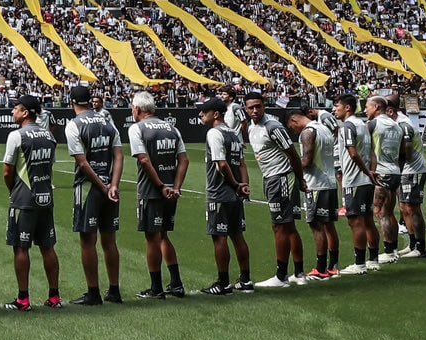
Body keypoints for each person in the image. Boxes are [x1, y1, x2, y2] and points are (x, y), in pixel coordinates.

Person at [63, 85, 124, 306]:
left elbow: (82, 162)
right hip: (111, 187)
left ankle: (93, 292)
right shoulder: (108, 122)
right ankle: (114, 291)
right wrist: (113, 185)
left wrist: (101, 185)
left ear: (72, 102)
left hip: (89, 188)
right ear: (90, 100)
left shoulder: (73, 125)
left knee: (88, 240)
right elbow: (119, 155)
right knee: (110, 240)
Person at [0, 95, 61, 311]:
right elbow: (50, 168)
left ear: (25, 112)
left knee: (21, 247)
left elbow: (8, 171)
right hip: (46, 197)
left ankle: (23, 298)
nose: (12, 112)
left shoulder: (16, 136)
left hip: (24, 199)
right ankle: (54, 296)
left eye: (15, 108)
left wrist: (13, 192)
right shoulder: (49, 136)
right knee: (48, 247)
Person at [242, 90, 305, 289]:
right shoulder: (252, 127)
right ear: (246, 108)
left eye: (258, 106)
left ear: (264, 106)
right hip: (272, 178)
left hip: (281, 178)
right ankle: (299, 273)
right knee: (287, 226)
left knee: (280, 226)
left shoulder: (273, 126)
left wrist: (300, 179)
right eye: (250, 107)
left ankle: (281, 275)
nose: (254, 110)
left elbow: (293, 154)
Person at [128, 91, 188, 299]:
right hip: (171, 191)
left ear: (137, 109)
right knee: (163, 235)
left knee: (152, 237)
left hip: (152, 191)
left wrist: (161, 185)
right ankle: (176, 283)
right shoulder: (172, 128)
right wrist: (176, 187)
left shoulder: (137, 128)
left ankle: (156, 288)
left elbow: (144, 160)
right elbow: (184, 160)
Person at [199, 98, 254, 296]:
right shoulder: (234, 133)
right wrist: (243, 185)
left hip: (219, 193)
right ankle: (245, 279)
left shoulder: (214, 133)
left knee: (219, 237)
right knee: (237, 235)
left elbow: (222, 164)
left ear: (216, 114)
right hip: (235, 194)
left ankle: (223, 282)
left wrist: (236, 185)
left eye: (204, 112)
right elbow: (241, 163)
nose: (201, 115)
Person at [291, 104, 340, 280]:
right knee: (328, 224)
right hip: (330, 182)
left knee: (317, 225)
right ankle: (333, 265)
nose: (294, 130)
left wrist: (291, 167)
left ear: (294, 120)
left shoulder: (308, 132)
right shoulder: (324, 128)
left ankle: (320, 269)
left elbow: (307, 161)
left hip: (316, 184)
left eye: (292, 127)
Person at [334, 94, 378, 275]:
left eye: (337, 106)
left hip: (354, 180)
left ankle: (359, 264)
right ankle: (373, 259)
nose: (335, 109)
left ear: (347, 108)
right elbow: (373, 152)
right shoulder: (363, 125)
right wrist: (372, 171)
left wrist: (367, 172)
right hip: (366, 181)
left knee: (355, 221)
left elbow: (352, 153)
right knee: (368, 220)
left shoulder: (347, 126)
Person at [367, 92, 405, 263]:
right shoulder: (397, 126)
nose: (366, 110)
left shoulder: (373, 124)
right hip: (395, 171)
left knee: (380, 212)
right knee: (389, 212)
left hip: (380, 172)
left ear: (376, 107)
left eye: (368, 107)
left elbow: (365, 150)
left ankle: (388, 252)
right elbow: (404, 152)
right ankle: (393, 249)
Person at [393, 95, 426, 259]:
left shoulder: (403, 124)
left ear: (390, 110)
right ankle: (413, 244)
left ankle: (421, 248)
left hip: (413, 169)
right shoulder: (397, 123)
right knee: (404, 208)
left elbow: (406, 150)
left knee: (413, 208)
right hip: (404, 170)